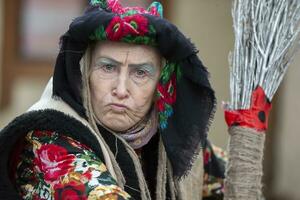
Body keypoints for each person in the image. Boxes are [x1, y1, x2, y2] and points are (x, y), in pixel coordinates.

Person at [0, 1, 226, 199]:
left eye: (140, 73)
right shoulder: (48, 140)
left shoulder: (172, 141)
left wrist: (247, 137)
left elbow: (230, 181)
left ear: (161, 85)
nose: (120, 89)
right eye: (108, 67)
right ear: (84, 72)